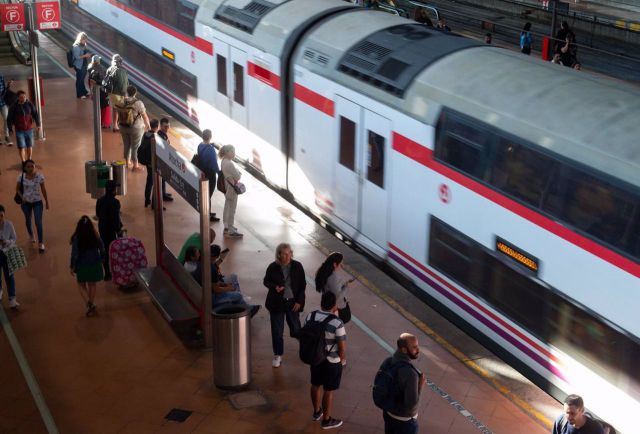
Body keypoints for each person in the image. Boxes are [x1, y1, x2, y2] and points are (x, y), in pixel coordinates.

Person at [305, 291, 346, 430]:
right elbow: (342, 347)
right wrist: (342, 361)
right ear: (334, 305)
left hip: (315, 358)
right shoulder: (337, 322)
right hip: (331, 361)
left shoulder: (311, 315)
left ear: (321, 303)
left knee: (315, 384)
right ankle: (327, 420)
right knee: (328, 390)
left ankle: (317, 412)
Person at [263, 243, 307, 368]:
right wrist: (274, 287)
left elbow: (303, 285)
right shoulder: (273, 267)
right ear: (279, 255)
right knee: (277, 331)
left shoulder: (297, 266)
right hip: (277, 303)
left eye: (289, 253)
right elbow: (266, 281)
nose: (288, 256)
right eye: (284, 254)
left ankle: (305, 347)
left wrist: (299, 301)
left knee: (296, 329)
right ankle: (278, 355)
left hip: (293, 302)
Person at [193, 244, 260, 316]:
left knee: (233, 278)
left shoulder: (200, 263)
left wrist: (225, 285)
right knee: (238, 295)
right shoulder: (212, 269)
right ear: (216, 256)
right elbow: (216, 290)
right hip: (211, 298)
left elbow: (213, 282)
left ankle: (245, 306)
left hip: (204, 293)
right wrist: (228, 288)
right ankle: (248, 310)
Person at [379, 333, 425, 434]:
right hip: (404, 422)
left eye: (417, 346)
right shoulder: (410, 373)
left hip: (389, 413)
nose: (418, 350)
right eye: (414, 347)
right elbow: (411, 406)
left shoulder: (387, 362)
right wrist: (420, 385)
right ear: (404, 350)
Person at [70, 216, 105, 317]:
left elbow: (75, 254)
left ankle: (89, 304)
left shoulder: (77, 237)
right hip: (94, 262)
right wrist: (102, 258)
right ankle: (91, 302)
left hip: (82, 264)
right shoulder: (95, 235)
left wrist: (72, 266)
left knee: (80, 285)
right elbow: (102, 247)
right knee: (92, 284)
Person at [15, 159, 48, 253]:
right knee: (28, 220)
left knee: (38, 222)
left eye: (32, 166)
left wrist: (47, 201)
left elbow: (43, 190)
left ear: (35, 167)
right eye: (28, 167)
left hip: (37, 202)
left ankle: (41, 243)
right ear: (25, 168)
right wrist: (22, 197)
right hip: (26, 203)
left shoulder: (40, 177)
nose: (30, 168)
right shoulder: (21, 177)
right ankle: (31, 234)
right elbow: (17, 189)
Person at [117, 85, 150, 170]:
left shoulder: (121, 101)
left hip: (123, 126)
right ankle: (135, 165)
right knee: (135, 147)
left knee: (126, 144)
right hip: (136, 128)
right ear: (135, 93)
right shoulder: (138, 103)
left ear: (127, 92)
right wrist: (148, 126)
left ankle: (127, 163)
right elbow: (145, 116)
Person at [95, 180, 122, 281]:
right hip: (111, 231)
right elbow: (115, 218)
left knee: (104, 249)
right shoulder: (115, 202)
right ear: (113, 190)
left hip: (102, 228)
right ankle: (116, 271)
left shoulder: (100, 200)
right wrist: (118, 230)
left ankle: (107, 273)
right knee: (113, 250)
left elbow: (97, 214)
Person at [7, 90, 40, 163]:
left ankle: (29, 160)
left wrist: (38, 124)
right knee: (21, 147)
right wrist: (10, 129)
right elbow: (9, 119)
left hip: (29, 129)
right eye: (22, 97)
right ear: (18, 98)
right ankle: (23, 162)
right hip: (19, 131)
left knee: (29, 146)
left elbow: (35, 114)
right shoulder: (13, 107)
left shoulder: (29, 104)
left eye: (25, 97)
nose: (24, 98)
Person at [196, 129, 220, 222]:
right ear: (210, 137)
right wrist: (220, 173)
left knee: (205, 193)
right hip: (210, 173)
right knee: (208, 194)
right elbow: (214, 164)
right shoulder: (210, 149)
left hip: (202, 172)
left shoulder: (200, 145)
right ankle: (207, 214)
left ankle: (207, 211)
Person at [219, 144, 243, 238]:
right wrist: (239, 173)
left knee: (227, 206)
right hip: (232, 188)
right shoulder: (229, 164)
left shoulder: (223, 161)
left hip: (227, 187)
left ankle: (226, 226)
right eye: (232, 151)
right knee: (232, 208)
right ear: (227, 152)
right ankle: (231, 229)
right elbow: (238, 176)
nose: (234, 154)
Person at [0, 205, 18, 309]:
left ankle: (12, 298)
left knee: (9, 276)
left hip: (6, 253)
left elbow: (14, 238)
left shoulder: (9, 224)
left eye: (1, 216)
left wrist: (7, 242)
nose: (0, 218)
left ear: (4, 215)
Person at [104, 54, 128, 131]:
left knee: (116, 109)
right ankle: (116, 125)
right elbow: (125, 83)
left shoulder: (110, 69)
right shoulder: (123, 71)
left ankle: (115, 124)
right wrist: (126, 94)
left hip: (113, 92)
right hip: (120, 93)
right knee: (120, 109)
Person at [137, 118, 158, 207]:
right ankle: (154, 202)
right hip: (152, 162)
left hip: (145, 160)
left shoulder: (146, 134)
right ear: (157, 127)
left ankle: (147, 200)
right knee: (154, 181)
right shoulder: (155, 137)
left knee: (149, 181)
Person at [87, 55, 111, 129]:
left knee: (98, 107)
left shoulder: (90, 68)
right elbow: (106, 80)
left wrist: (91, 92)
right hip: (103, 90)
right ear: (98, 61)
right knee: (106, 107)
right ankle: (105, 123)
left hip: (95, 90)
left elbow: (90, 81)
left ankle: (99, 122)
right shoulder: (103, 68)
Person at [156, 118, 174, 202]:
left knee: (164, 178)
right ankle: (162, 195)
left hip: (163, 160)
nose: (167, 128)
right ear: (161, 126)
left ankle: (163, 193)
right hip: (161, 161)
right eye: (165, 126)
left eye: (168, 126)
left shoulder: (163, 134)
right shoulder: (161, 136)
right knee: (162, 178)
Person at [71, 32, 91, 99]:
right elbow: (77, 57)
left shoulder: (84, 46)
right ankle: (79, 94)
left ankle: (84, 91)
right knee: (79, 80)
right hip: (79, 65)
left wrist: (87, 55)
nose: (85, 41)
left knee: (82, 79)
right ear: (80, 39)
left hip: (84, 64)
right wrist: (85, 55)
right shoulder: (76, 47)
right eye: (84, 39)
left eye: (86, 39)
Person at [0, 75, 14, 145]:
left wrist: (8, 85)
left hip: (3, 103)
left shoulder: (1, 77)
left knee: (7, 119)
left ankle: (7, 136)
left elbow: (5, 90)